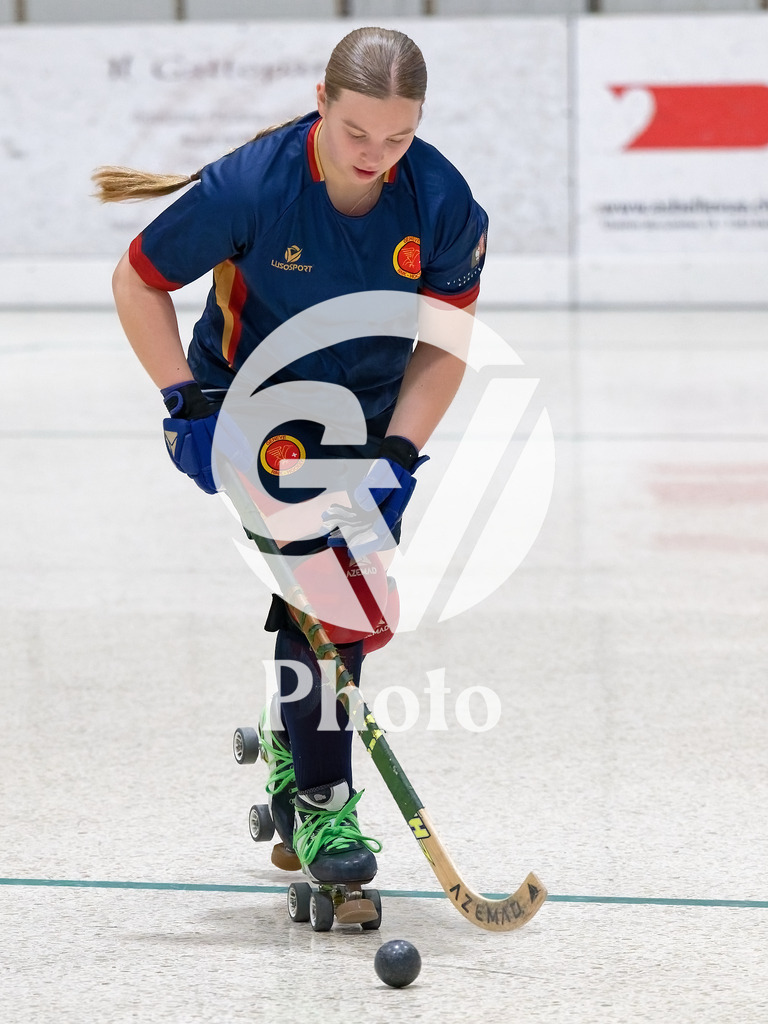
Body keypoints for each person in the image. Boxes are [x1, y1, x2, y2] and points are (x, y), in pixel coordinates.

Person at [94, 26, 488, 901]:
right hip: (250, 411)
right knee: (330, 595)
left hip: (365, 416)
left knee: (339, 596)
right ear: (323, 100)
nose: (375, 158)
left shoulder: (441, 200)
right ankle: (320, 798)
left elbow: (446, 344)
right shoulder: (254, 186)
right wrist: (183, 401)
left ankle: (291, 738)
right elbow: (137, 280)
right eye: (357, 135)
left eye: (398, 138)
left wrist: (399, 453)